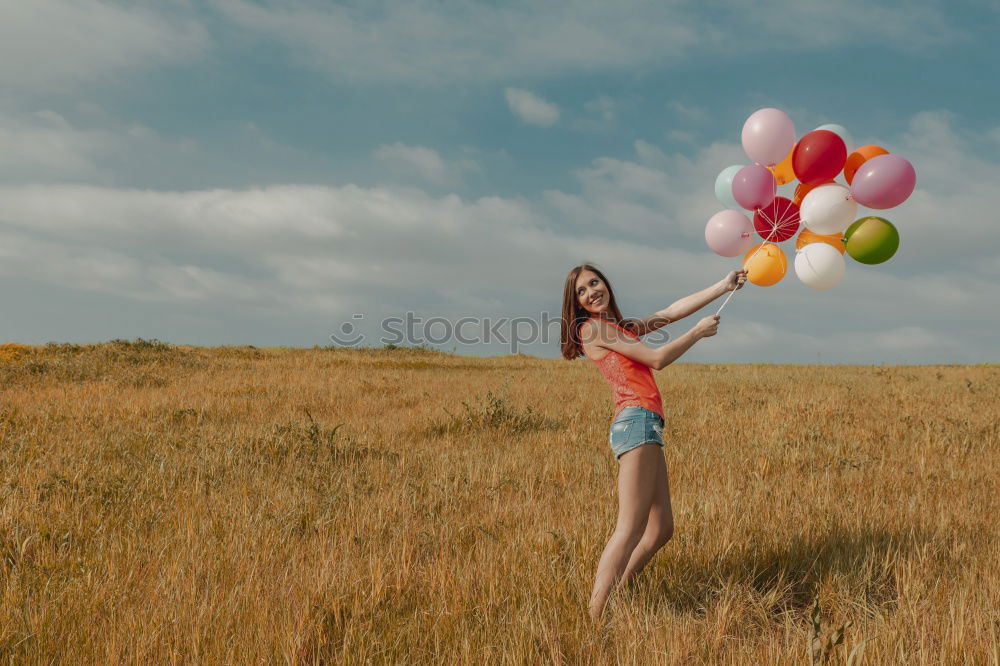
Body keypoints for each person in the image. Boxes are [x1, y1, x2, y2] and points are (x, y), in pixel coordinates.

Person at [559, 263, 747, 620]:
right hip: (635, 422)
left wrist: (722, 287)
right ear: (577, 304)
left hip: (646, 424)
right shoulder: (593, 328)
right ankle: (595, 617)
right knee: (629, 527)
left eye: (594, 283)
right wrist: (697, 333)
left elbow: (670, 311)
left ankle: (619, 594)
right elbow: (658, 359)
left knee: (661, 528)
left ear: (606, 283)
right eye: (582, 291)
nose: (591, 292)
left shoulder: (620, 328)